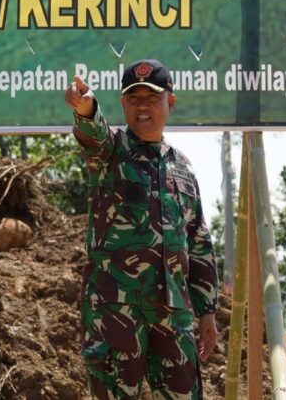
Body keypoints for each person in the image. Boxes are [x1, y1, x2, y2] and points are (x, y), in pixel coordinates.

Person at [65, 58, 219, 399]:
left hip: (173, 313)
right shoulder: (111, 151)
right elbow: (93, 135)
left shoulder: (182, 168)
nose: (143, 106)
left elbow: (198, 241)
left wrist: (207, 311)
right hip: (116, 310)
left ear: (170, 101)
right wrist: (86, 109)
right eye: (134, 98)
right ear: (123, 104)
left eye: (151, 97)